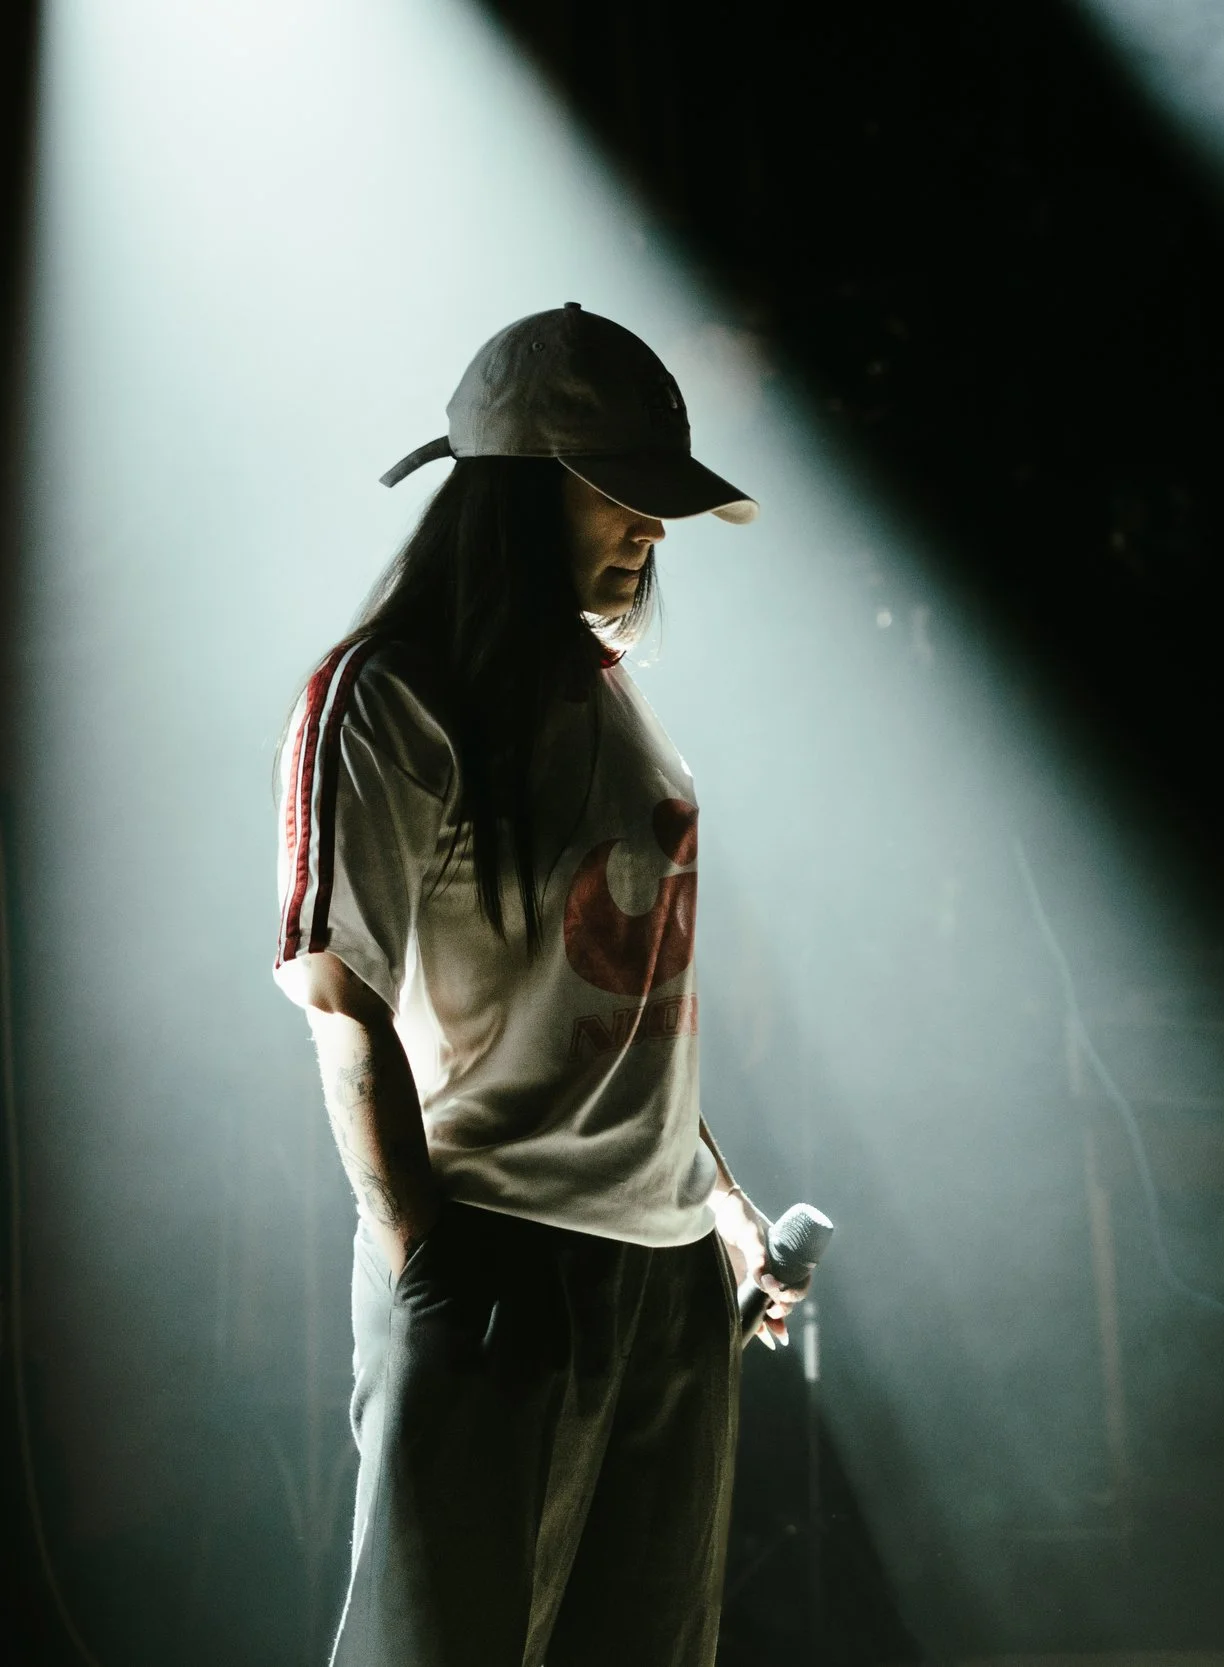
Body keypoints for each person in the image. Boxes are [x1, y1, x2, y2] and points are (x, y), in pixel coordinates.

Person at [273, 304, 805, 1665]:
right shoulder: (391, 692)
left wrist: (722, 1205)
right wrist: (431, 1268)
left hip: (663, 1273)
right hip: (500, 1250)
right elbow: (343, 996)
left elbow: (610, 1009)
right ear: (519, 488)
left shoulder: (609, 694)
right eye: (625, 495)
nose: (655, 532)